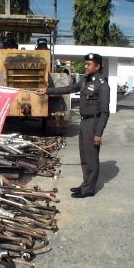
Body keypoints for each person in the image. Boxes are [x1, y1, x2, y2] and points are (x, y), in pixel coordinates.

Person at [37, 53, 110, 198]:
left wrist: (99, 133)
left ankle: (89, 189)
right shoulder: (85, 81)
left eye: (89, 64)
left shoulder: (102, 85)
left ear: (98, 66)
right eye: (86, 64)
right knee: (84, 156)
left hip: (93, 123)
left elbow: (105, 112)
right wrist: (47, 91)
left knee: (91, 158)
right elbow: (68, 89)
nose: (85, 66)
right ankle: (85, 183)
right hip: (84, 122)